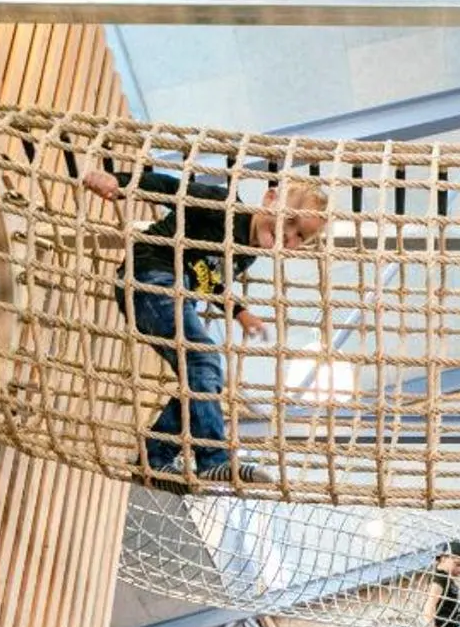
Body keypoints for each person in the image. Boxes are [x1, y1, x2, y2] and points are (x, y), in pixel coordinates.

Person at [76, 154, 329, 485]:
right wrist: (120, 184)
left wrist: (239, 312)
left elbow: (211, 278)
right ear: (270, 197)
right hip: (150, 277)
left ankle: (153, 460)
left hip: (169, 295)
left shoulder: (247, 252)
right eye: (291, 221)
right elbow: (171, 188)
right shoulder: (224, 207)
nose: (289, 236)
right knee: (205, 362)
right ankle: (213, 459)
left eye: (300, 238)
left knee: (200, 380)